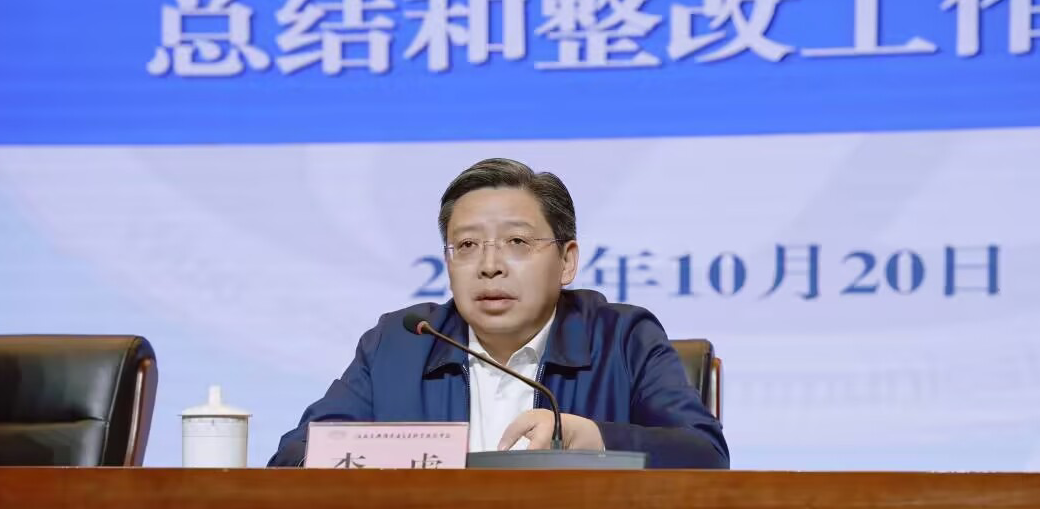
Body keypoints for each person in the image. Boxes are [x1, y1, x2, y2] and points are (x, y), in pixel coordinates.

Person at [269, 158, 729, 468]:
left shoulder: (622, 338)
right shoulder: (403, 341)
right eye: (467, 245)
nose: (490, 265)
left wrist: (593, 439)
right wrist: (395, 458)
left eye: (517, 242)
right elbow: (293, 457)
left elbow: (705, 454)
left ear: (567, 261)